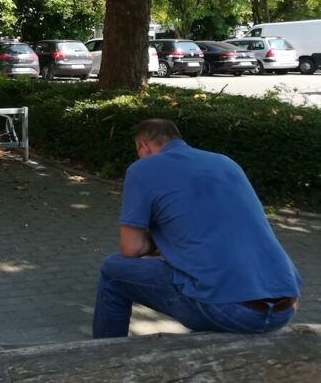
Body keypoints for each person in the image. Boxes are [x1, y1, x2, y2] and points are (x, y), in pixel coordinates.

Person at [93, 118, 301, 339]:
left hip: (232, 310)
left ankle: (106, 353)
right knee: (198, 274)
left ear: (144, 145)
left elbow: (131, 248)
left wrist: (157, 242)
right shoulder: (225, 162)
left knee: (112, 270)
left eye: (138, 151)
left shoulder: (142, 169)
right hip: (285, 306)